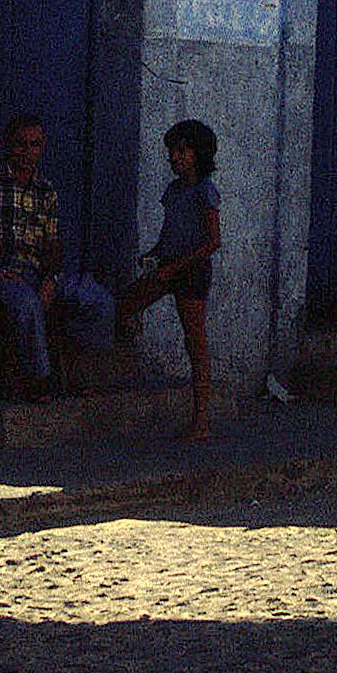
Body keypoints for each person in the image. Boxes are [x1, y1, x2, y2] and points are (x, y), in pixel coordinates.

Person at [0, 114, 115, 400]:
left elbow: (52, 243)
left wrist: (50, 279)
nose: (27, 152)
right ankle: (39, 380)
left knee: (96, 300)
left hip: (35, 273)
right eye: (20, 145)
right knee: (25, 303)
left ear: (42, 147)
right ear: (8, 145)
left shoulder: (46, 191)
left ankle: (78, 373)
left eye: (34, 145)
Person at [116, 119, 221, 440]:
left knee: (195, 343)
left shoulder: (205, 191)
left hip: (190, 272)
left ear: (198, 154)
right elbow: (169, 233)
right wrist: (154, 253)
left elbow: (212, 242)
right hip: (169, 267)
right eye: (172, 151)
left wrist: (174, 268)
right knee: (123, 306)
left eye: (183, 151)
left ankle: (200, 420)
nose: (175, 157)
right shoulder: (174, 190)